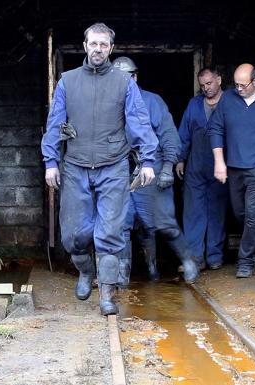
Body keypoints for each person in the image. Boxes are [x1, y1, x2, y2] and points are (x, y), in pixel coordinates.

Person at [41, 23, 158, 316]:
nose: (98, 49)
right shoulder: (68, 81)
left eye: (104, 45)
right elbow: (55, 122)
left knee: (110, 232)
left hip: (113, 165)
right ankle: (84, 271)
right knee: (74, 235)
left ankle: (107, 294)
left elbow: (139, 120)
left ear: (110, 48)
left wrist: (148, 160)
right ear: (85, 46)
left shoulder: (123, 82)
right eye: (93, 43)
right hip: (76, 166)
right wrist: (51, 161)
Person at [112, 56, 199, 287]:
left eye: (126, 78)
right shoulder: (108, 105)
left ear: (135, 77)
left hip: (153, 167)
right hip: (122, 171)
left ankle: (188, 261)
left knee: (162, 223)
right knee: (122, 225)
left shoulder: (152, 101)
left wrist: (169, 167)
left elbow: (170, 135)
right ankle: (125, 276)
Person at [207, 63, 255, 278]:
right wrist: (219, 161)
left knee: (253, 215)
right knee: (242, 214)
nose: (238, 89)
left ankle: (246, 261)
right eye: (236, 85)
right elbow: (215, 128)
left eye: (243, 85)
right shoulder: (228, 100)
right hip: (235, 166)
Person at [176, 67, 228, 270]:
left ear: (219, 80)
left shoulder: (230, 102)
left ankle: (215, 256)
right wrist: (180, 159)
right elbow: (184, 133)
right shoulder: (194, 104)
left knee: (217, 211)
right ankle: (195, 258)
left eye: (210, 83)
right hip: (196, 165)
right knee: (193, 212)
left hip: (221, 165)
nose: (206, 88)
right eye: (203, 85)